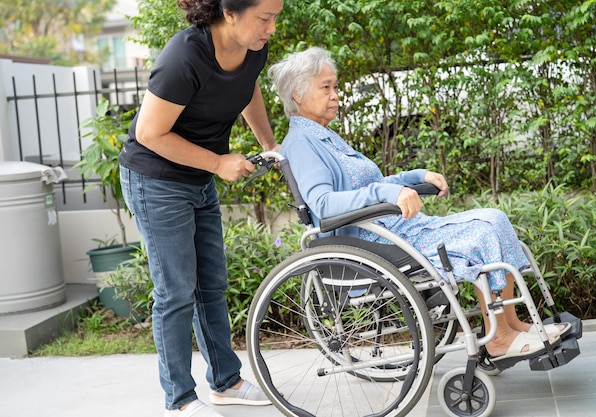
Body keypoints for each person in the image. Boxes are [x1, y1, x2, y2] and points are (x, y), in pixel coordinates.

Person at [269, 47, 570, 368]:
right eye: (326, 87)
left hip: (392, 229)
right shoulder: (302, 143)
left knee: (493, 219)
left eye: (336, 87)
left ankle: (509, 326)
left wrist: (416, 177)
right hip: (373, 242)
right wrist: (388, 190)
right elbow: (325, 205)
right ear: (298, 94)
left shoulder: (325, 137)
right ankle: (498, 339)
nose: (335, 95)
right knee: (483, 231)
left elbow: (372, 184)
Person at [119, 1, 283, 416]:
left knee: (210, 284)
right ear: (229, 12)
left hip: (196, 178)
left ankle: (225, 382)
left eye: (276, 16)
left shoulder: (253, 48)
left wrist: (269, 145)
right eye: (265, 17)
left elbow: (249, 89)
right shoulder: (185, 57)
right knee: (175, 292)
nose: (272, 28)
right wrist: (217, 162)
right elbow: (150, 132)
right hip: (155, 179)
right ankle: (179, 399)